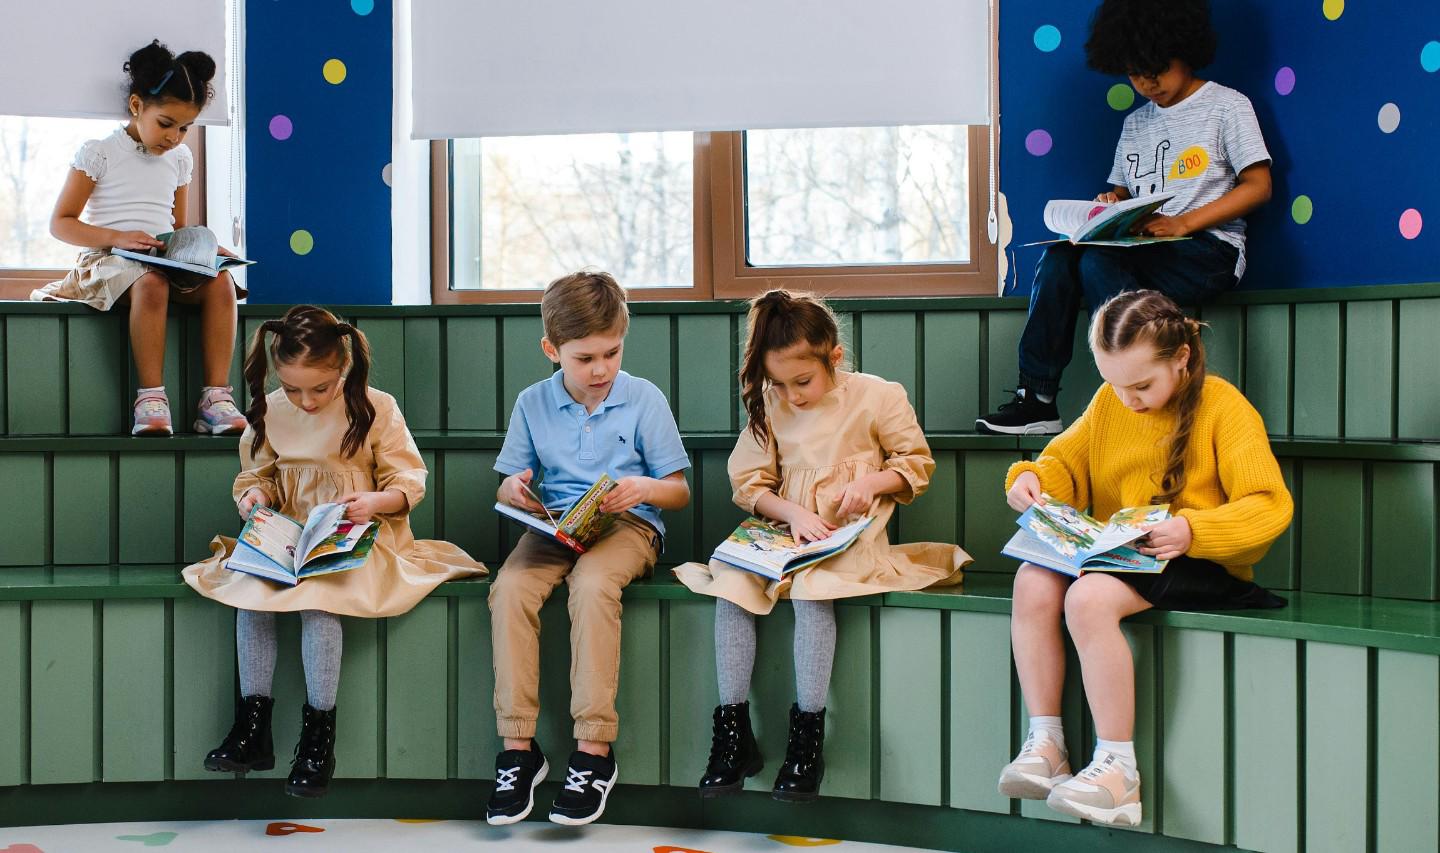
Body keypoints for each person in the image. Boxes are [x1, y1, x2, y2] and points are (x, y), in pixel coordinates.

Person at [998, 290, 1291, 826]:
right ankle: (1047, 741)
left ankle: (1118, 769)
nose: (1128, 399)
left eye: (1142, 386)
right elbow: (1066, 456)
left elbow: (1269, 506)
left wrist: (1193, 529)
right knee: (1031, 579)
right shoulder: (1111, 404)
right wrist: (1032, 480)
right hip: (1125, 554)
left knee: (1087, 598)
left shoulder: (1224, 407)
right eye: (1114, 383)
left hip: (1200, 560)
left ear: (1180, 359)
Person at [675, 289, 968, 802]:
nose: (792, 395)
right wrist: (794, 514)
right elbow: (750, 483)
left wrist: (870, 485)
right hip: (787, 531)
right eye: (779, 384)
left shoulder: (878, 396)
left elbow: (915, 463)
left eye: (803, 381)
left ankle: (807, 736)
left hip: (848, 538)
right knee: (732, 584)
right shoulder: (771, 403)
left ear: (834, 356)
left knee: (812, 591)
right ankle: (731, 733)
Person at [182, 305, 486, 798]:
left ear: (343, 364)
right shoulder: (270, 409)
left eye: (319, 389)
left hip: (359, 534)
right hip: (289, 534)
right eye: (293, 388)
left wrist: (374, 502)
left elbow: (408, 480)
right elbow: (255, 475)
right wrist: (252, 499)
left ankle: (318, 736)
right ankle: (252, 726)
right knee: (250, 593)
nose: (305, 401)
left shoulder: (375, 406)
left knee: (319, 599)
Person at [978, 0, 1272, 435]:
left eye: (1156, 70)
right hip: (1145, 249)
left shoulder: (1227, 106)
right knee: (1061, 257)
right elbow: (1123, 191)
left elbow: (1259, 185)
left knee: (1098, 262)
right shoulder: (1136, 124)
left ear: (1184, 49)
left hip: (1209, 251)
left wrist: (1184, 224)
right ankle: (1037, 399)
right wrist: (1108, 202)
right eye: (1135, 73)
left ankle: (1133, 390)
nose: (1147, 83)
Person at [486, 270, 691, 827]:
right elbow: (509, 482)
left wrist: (643, 489)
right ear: (552, 350)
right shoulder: (532, 402)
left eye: (611, 353)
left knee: (594, 584)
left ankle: (594, 751)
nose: (600, 370)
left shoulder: (643, 397)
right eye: (584, 359)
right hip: (555, 527)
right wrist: (517, 490)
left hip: (628, 526)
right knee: (508, 590)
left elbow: (678, 490)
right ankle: (518, 750)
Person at [35, 40, 247, 437]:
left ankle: (215, 399)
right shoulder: (100, 152)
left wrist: (199, 248)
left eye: (185, 127)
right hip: (107, 259)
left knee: (221, 283)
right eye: (166, 123)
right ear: (137, 106)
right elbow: (61, 223)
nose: (175, 137)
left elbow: (177, 228)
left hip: (163, 259)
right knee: (150, 282)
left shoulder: (180, 159)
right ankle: (151, 398)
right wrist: (119, 237)